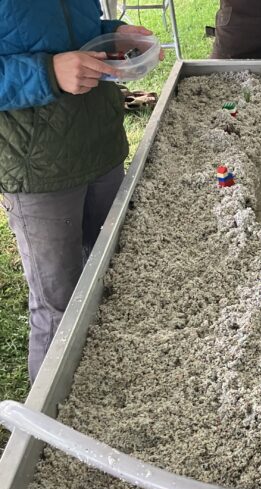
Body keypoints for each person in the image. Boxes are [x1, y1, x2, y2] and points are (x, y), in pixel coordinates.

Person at [0, 2, 158, 384]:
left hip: (99, 146)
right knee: (59, 305)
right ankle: (49, 429)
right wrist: (47, 72)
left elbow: (68, 28)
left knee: (114, 271)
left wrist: (116, 32)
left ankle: (115, 380)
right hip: (37, 169)